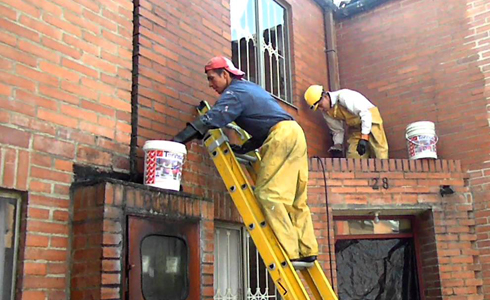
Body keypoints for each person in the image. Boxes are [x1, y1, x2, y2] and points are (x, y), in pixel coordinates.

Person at [174, 56, 318, 268]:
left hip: (281, 135)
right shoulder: (248, 89)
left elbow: (212, 117)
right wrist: (243, 148)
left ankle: (290, 251)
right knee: (297, 198)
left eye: (212, 78)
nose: (210, 84)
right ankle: (307, 250)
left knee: (268, 194)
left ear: (225, 74)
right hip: (295, 134)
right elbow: (263, 126)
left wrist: (178, 140)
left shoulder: (235, 92)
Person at [304, 85, 389, 159]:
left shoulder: (344, 96)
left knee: (379, 152)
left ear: (325, 96)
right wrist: (338, 145)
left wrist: (364, 138)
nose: (321, 109)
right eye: (318, 108)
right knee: (354, 157)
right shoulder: (327, 112)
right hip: (355, 128)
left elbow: (365, 113)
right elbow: (337, 130)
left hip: (370, 120)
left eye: (320, 105)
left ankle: (385, 176)